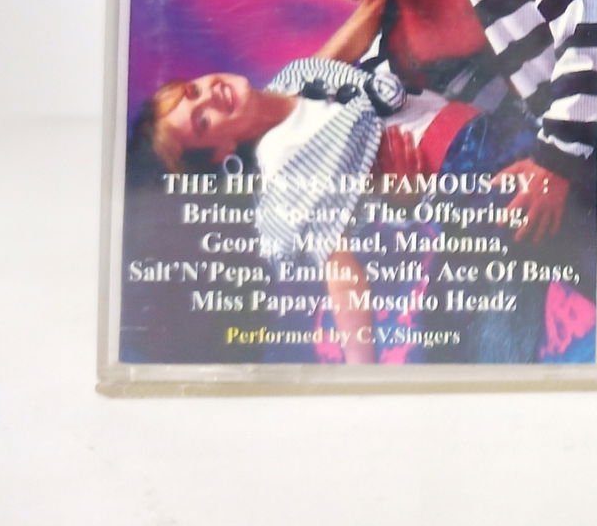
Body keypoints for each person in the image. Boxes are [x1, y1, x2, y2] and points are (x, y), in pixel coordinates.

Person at [266, 0, 597, 251]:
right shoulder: (386, 60)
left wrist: (556, 163)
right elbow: (283, 108)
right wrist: (408, 200)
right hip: (533, 220)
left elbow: (592, 27)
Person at [136, 57, 534, 363]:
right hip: (470, 176)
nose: (209, 97)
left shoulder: (298, 78)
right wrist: (362, 366)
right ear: (221, 153)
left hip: (489, 126)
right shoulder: (283, 166)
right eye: (203, 121)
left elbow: (360, 33)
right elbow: (337, 266)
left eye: (192, 90)